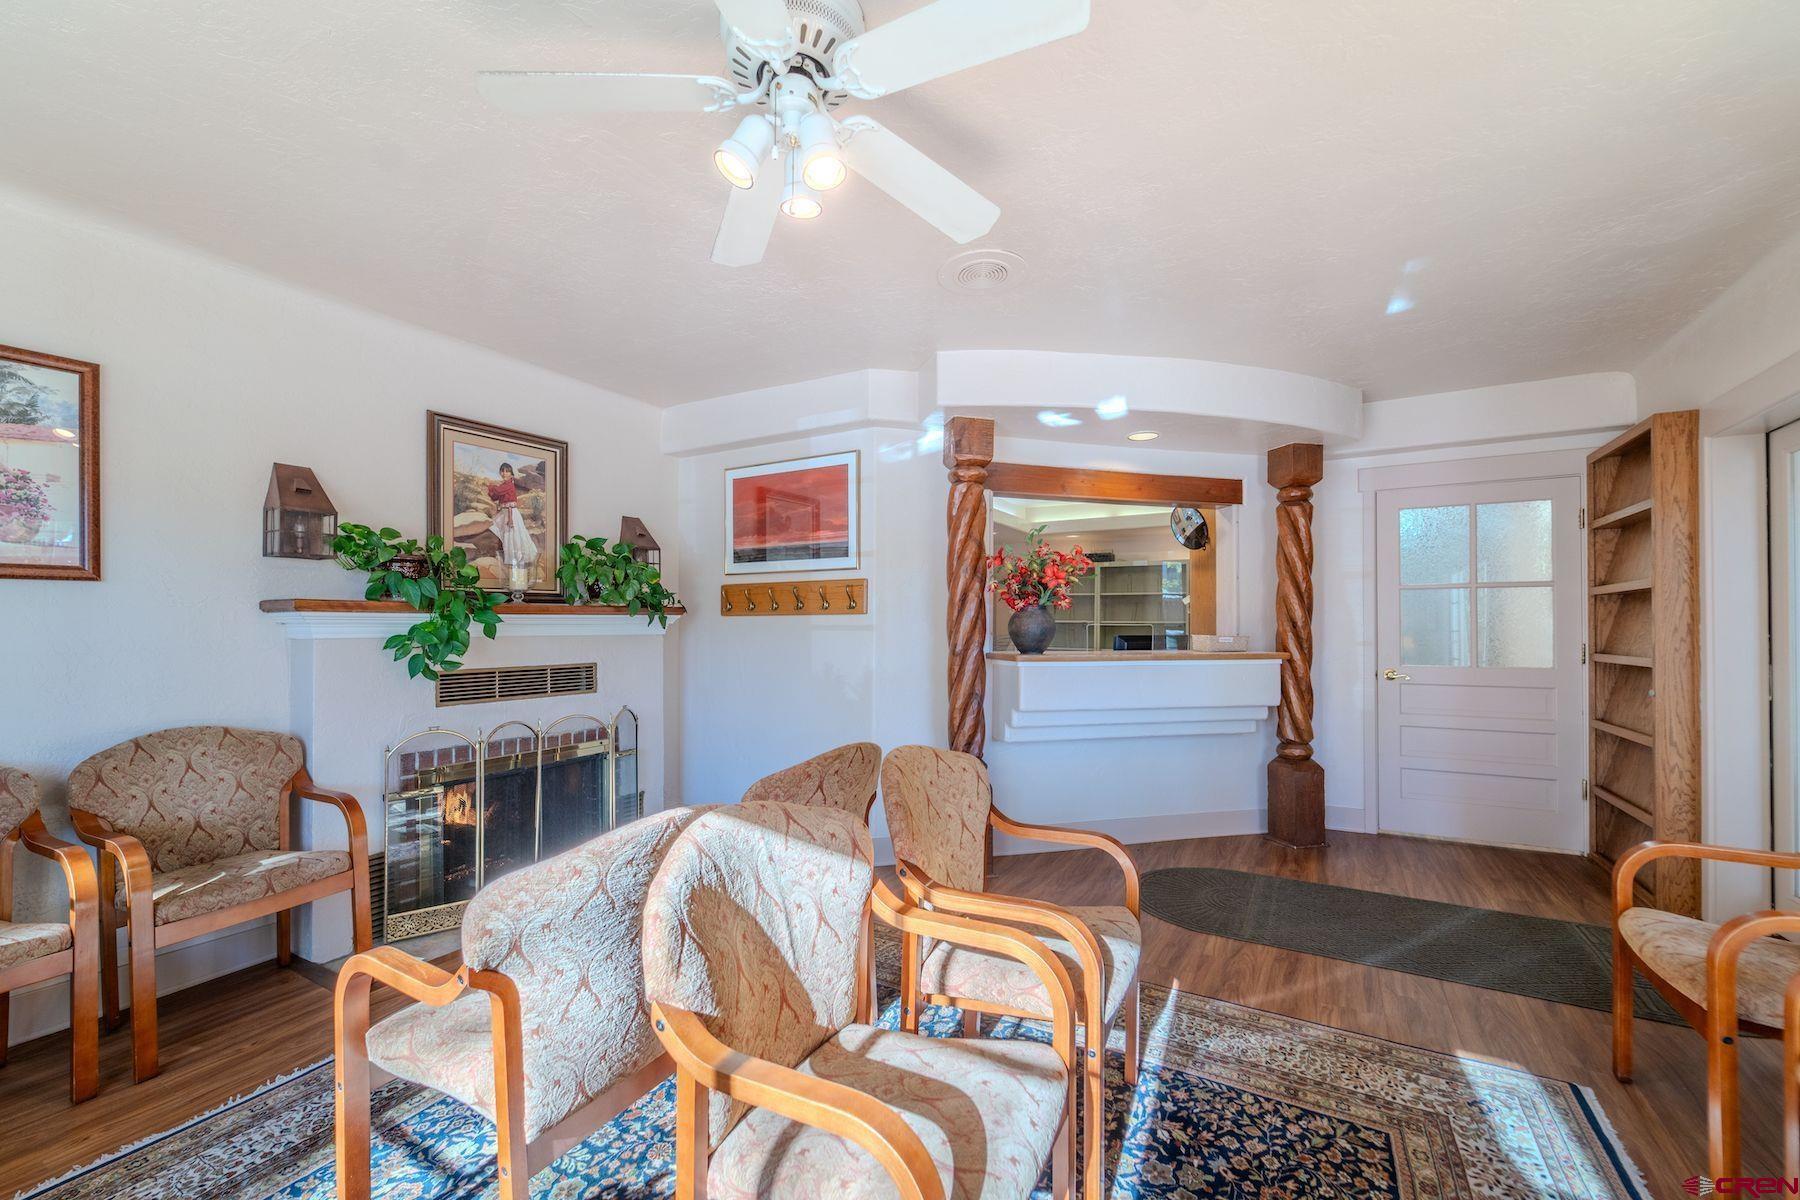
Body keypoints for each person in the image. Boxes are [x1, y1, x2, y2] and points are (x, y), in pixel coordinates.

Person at [486, 462, 536, 577]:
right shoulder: (504, 484)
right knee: (497, 529)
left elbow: (498, 491)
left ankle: (514, 560)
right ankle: (505, 555)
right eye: (502, 471)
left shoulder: (509, 484)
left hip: (511, 514)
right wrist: (491, 490)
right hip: (504, 512)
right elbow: (495, 496)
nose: (504, 473)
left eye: (507, 471)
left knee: (512, 535)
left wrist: (490, 486)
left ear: (511, 473)